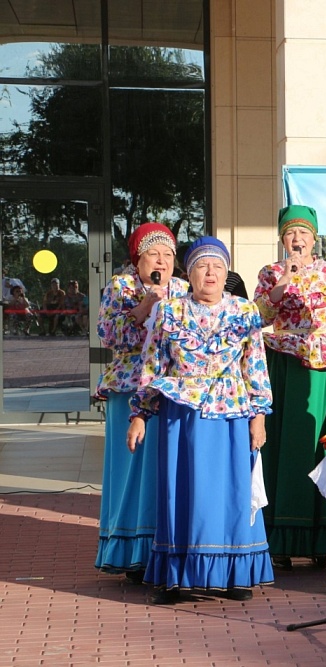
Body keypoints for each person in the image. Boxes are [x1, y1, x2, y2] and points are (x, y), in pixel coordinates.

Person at [126, 236, 274, 603]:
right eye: (202, 266)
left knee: (230, 494)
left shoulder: (244, 311)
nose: (211, 273)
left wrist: (259, 416)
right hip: (182, 415)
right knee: (182, 493)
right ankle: (177, 577)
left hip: (231, 414)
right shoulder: (170, 312)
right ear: (188, 274)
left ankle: (233, 575)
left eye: (218, 267)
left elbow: (255, 365)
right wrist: (140, 414)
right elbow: (152, 364)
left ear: (227, 273)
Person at [253, 204, 326, 569]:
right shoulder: (270, 273)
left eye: (303, 233)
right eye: (290, 234)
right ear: (282, 239)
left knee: (322, 444)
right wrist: (284, 282)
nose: (297, 240)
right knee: (285, 447)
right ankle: (281, 537)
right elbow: (258, 317)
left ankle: (324, 538)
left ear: (315, 237)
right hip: (285, 364)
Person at [94, 222, 189, 582]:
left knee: (165, 467)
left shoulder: (182, 288)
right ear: (138, 258)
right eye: (154, 253)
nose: (162, 261)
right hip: (129, 386)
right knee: (132, 467)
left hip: (169, 388)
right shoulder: (121, 286)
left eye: (168, 254)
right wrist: (145, 304)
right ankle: (129, 550)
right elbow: (109, 335)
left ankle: (164, 546)